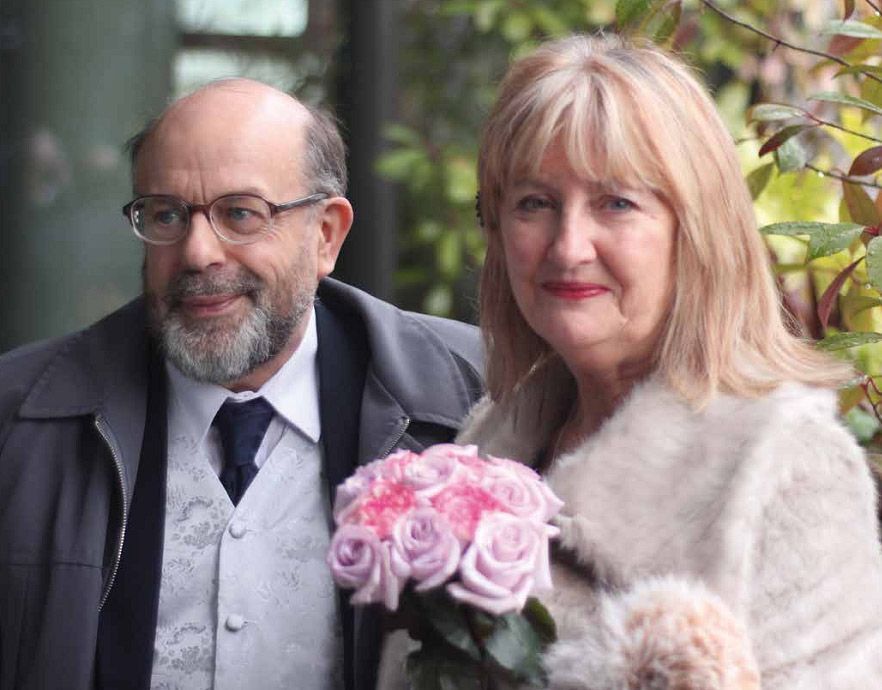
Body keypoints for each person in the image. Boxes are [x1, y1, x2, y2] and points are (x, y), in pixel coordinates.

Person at [376, 33, 882, 690]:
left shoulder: (786, 466)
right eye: (535, 203)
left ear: (695, 231)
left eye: (616, 202)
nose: (568, 246)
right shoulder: (491, 436)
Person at [0, 79, 483, 690]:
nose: (199, 251)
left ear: (326, 235)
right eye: (166, 214)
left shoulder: (476, 404)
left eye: (240, 213)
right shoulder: (17, 419)